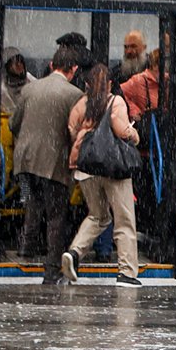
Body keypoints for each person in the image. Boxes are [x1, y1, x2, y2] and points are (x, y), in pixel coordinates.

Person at [62, 63, 141, 286]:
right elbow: (121, 130)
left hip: (86, 168)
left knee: (98, 216)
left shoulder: (81, 104)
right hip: (112, 167)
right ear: (109, 84)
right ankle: (126, 272)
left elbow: (71, 130)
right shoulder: (114, 101)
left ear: (86, 84)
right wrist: (135, 135)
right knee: (124, 220)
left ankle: (75, 253)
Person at [9, 46, 83, 284]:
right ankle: (51, 270)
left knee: (32, 203)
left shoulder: (30, 88)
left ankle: (26, 248)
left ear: (51, 65)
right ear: (74, 70)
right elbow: (76, 131)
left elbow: (12, 124)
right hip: (53, 164)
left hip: (24, 162)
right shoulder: (75, 94)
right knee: (55, 216)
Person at [120, 48, 161, 122]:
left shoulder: (167, 81)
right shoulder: (139, 80)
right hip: (148, 128)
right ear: (154, 65)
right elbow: (119, 92)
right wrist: (134, 110)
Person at [0, 46, 35, 116]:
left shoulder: (30, 80)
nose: (19, 65)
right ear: (8, 67)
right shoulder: (2, 90)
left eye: (21, 61)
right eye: (15, 63)